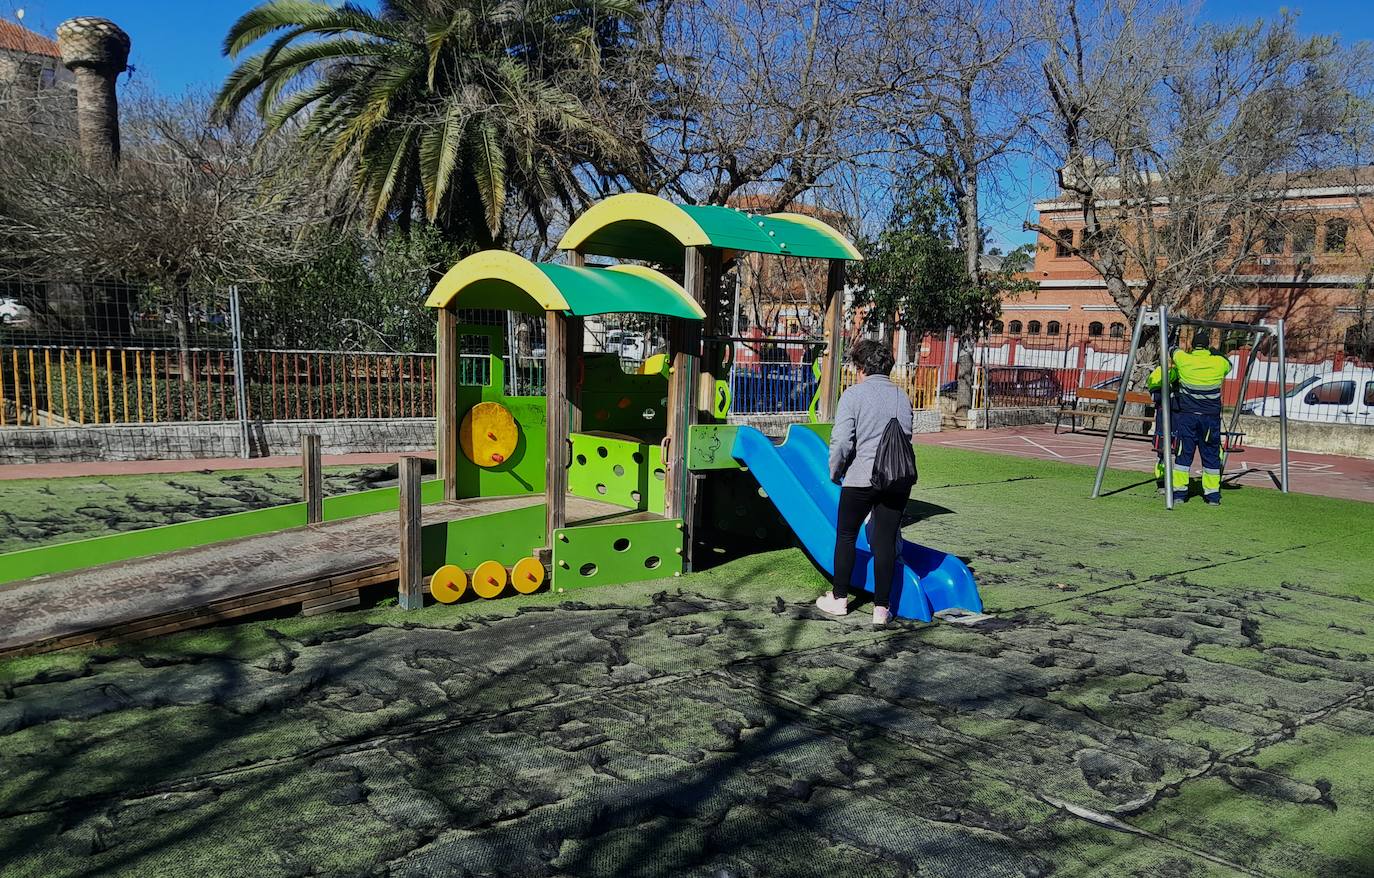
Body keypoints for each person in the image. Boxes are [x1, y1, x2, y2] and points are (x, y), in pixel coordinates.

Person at [816, 339, 914, 626]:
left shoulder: (853, 395)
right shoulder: (902, 396)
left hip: (861, 478)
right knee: (884, 541)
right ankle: (881, 609)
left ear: (861, 367)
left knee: (846, 535)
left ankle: (839, 598)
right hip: (897, 479)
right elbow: (906, 437)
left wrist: (836, 471)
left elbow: (842, 441)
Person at [1169, 330, 1232, 505]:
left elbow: (1172, 350)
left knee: (1183, 454)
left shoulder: (1184, 359)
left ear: (1192, 345)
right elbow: (1229, 363)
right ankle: (1212, 495)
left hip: (1188, 416)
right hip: (1210, 418)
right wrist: (1213, 351)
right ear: (1207, 346)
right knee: (1211, 455)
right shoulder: (1219, 362)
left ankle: (1179, 493)